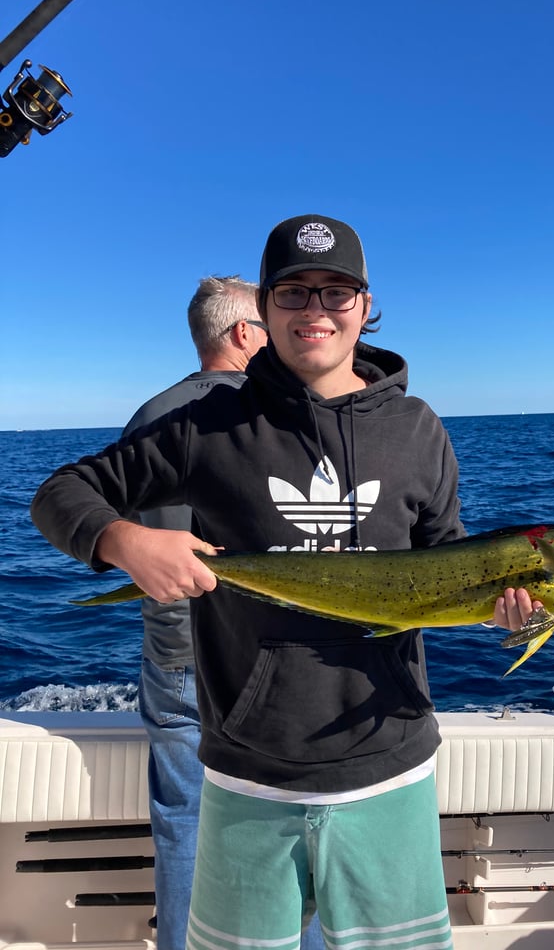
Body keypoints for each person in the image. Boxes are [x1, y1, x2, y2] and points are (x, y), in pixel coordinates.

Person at [31, 215, 537, 950]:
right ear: (263, 311)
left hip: (388, 763)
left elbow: (448, 561)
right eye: (294, 293)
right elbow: (60, 494)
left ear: (366, 308)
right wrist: (124, 539)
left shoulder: (420, 428)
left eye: (336, 294)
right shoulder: (207, 424)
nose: (315, 311)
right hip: (248, 775)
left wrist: (505, 613)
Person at [122, 275, 268, 950]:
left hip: (172, 654)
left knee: (183, 822)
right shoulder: (273, 415)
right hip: (258, 661)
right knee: (289, 821)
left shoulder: (146, 415)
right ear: (243, 334)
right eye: (270, 324)